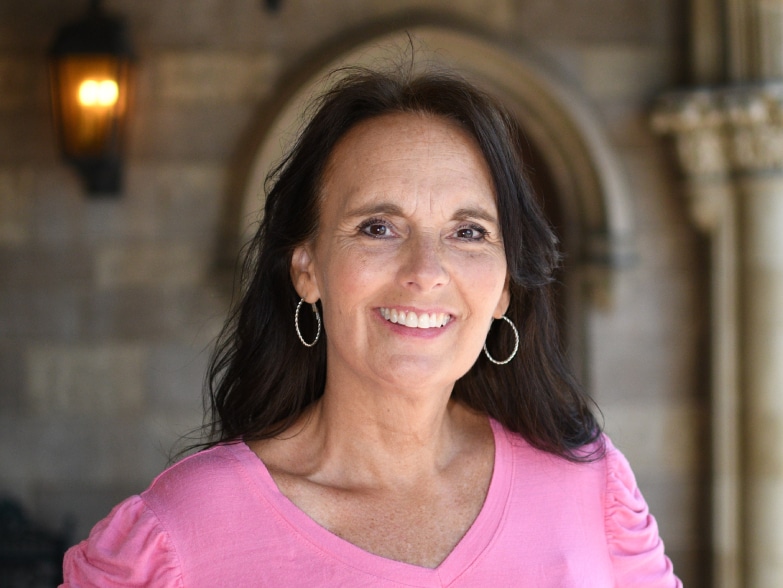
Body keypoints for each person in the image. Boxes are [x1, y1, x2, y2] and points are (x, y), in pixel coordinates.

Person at [62, 64, 681, 587]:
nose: (425, 271)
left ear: (503, 290)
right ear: (307, 268)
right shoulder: (182, 535)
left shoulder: (587, 487)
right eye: (378, 228)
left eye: (468, 233)